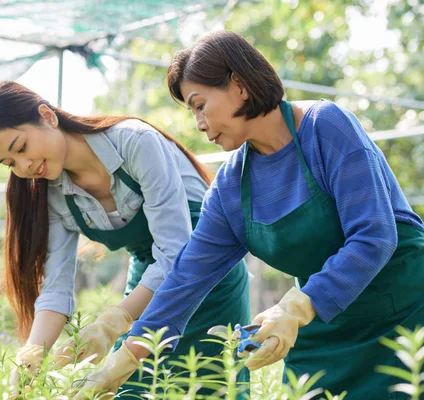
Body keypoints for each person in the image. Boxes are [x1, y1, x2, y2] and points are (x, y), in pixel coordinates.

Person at [75, 30, 424, 400]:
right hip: (324, 330)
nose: (198, 123)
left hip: (404, 316)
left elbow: (375, 237)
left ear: (239, 85)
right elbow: (184, 281)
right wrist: (122, 361)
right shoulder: (230, 187)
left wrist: (295, 307)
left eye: (199, 104)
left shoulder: (326, 126)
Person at [0, 81, 251, 397]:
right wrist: (31, 357)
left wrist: (111, 324)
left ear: (47, 116)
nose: (23, 167)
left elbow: (175, 254)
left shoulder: (133, 141)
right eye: (10, 164)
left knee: (212, 387)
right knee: (129, 389)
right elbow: (55, 289)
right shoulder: (52, 194)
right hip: (149, 278)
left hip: (209, 273)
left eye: (20, 148)